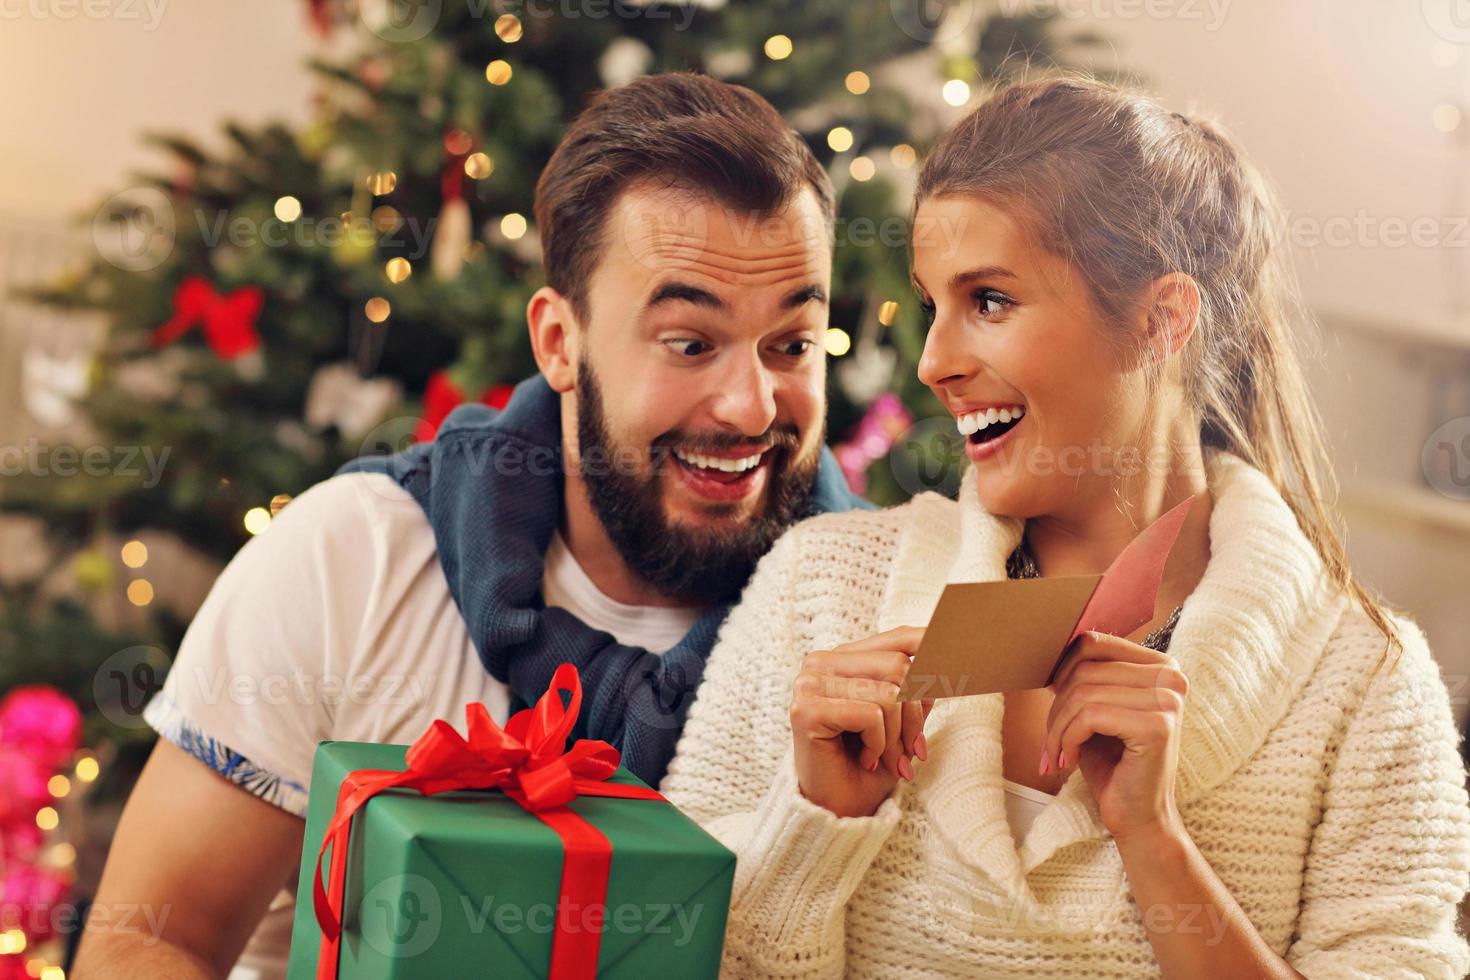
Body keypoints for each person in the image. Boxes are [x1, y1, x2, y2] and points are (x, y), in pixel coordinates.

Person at [662, 76, 1470, 978]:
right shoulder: (816, 588)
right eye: (933, 304)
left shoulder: (1368, 690)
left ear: (1163, 321)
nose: (935, 362)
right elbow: (656, 955)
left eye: (991, 302)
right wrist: (815, 826)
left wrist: (1157, 844)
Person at [75, 72, 868, 980]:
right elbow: (147, 942)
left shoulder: (880, 619)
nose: (750, 405)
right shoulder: (354, 557)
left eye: (792, 344)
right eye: (690, 343)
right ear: (559, 343)